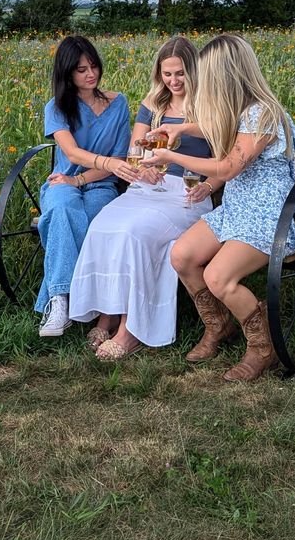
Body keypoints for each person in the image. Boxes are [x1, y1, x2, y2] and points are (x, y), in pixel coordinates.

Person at [147, 33, 295, 381]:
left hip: (269, 216)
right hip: (237, 210)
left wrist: (171, 155)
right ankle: (219, 326)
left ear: (229, 72)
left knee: (218, 276)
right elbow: (217, 128)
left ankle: (264, 348)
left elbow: (229, 168)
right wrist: (184, 128)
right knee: (182, 255)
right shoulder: (242, 109)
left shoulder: (264, 114)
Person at [68, 37, 214, 360]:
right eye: (167, 74)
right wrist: (142, 165)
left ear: (194, 72)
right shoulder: (153, 103)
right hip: (148, 188)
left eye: (180, 74)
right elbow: (136, 148)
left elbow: (225, 159)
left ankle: (130, 330)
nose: (173, 81)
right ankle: (107, 313)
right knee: (104, 225)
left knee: (135, 234)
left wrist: (210, 186)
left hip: (186, 195)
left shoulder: (209, 106)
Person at [35, 35, 134, 338]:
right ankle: (62, 301)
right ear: (67, 73)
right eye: (81, 69)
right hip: (63, 180)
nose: (90, 74)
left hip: (101, 185)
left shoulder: (117, 103)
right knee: (63, 208)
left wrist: (86, 177)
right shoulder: (56, 107)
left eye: (93, 66)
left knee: (91, 216)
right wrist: (77, 177)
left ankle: (60, 297)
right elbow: (73, 154)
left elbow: (120, 156)